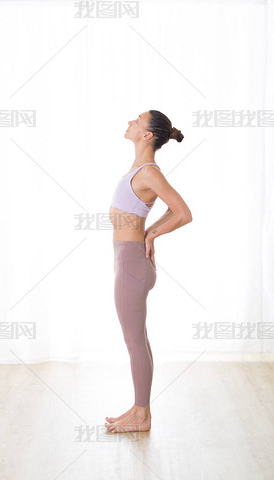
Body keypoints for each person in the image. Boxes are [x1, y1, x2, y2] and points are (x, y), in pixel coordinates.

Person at [105, 110, 193, 433]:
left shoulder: (150, 172)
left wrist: (151, 234)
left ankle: (142, 416)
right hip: (129, 262)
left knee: (135, 342)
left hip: (131, 266)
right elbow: (170, 210)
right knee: (138, 340)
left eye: (137, 120)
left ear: (146, 136)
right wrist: (148, 232)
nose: (130, 120)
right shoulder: (141, 170)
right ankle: (139, 409)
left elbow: (183, 213)